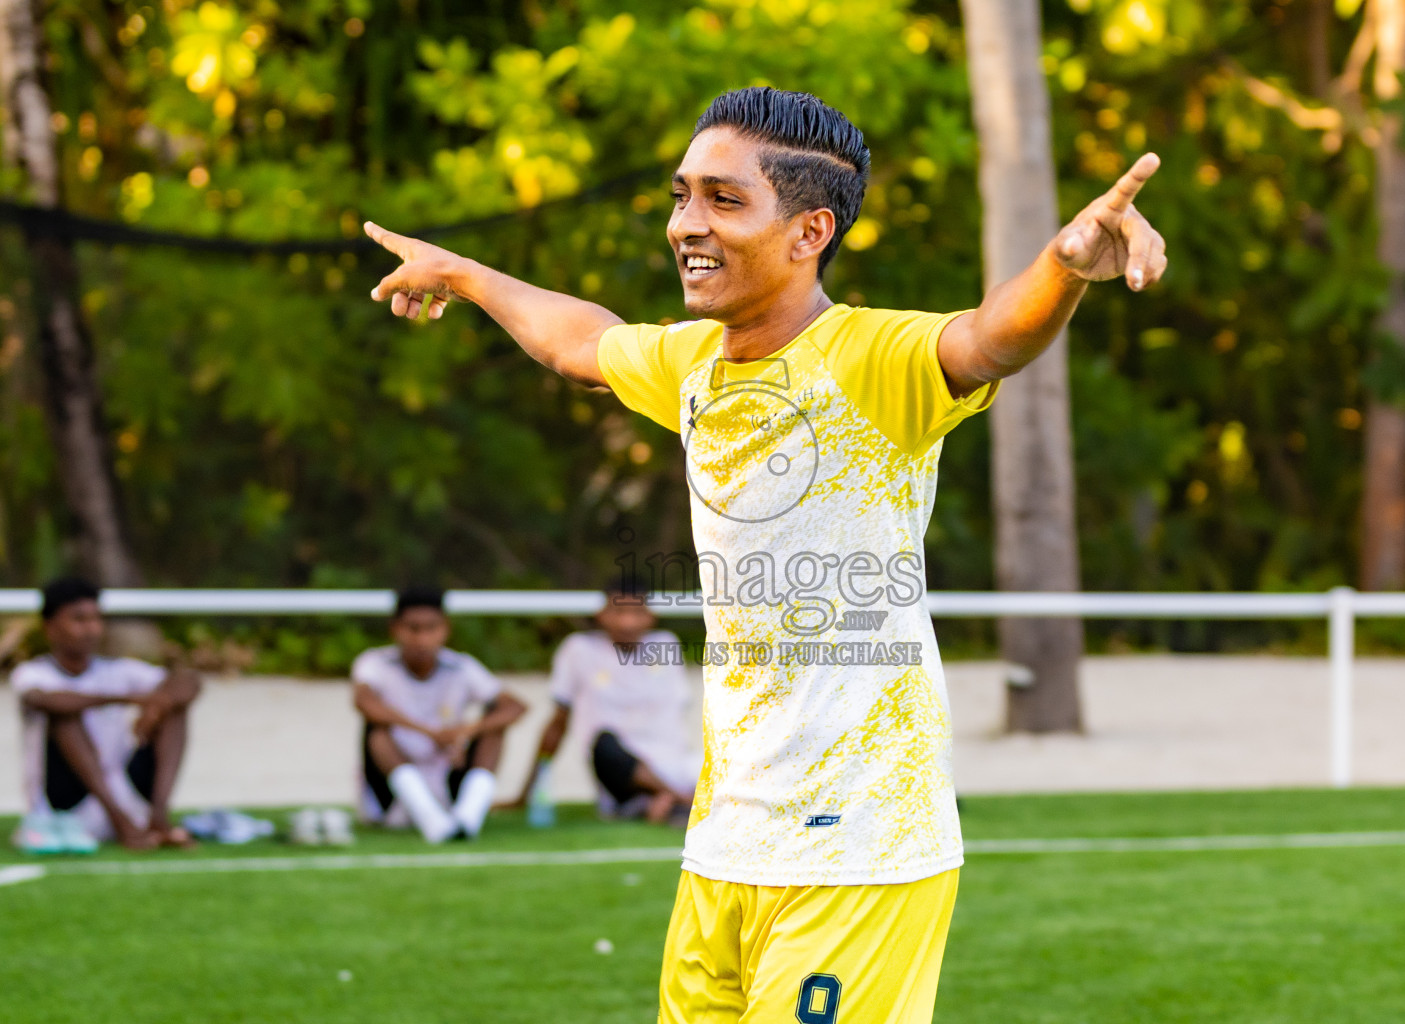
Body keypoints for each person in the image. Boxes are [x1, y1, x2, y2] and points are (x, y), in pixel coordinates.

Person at [366, 87, 1166, 1023]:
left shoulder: (871, 357)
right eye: (680, 196)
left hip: (859, 850)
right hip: (727, 844)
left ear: (808, 231)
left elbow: (988, 340)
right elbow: (581, 342)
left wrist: (1064, 269)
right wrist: (463, 274)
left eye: (722, 199)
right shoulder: (695, 362)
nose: (685, 224)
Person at [12, 577, 201, 851]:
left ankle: (158, 817)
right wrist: (129, 699)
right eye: (79, 620)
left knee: (175, 709)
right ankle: (123, 824)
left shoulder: (118, 669)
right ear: (50, 628)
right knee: (65, 715)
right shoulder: (33, 673)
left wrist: (159, 704)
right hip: (67, 809)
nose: (91, 629)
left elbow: (189, 682)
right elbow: (46, 700)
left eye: (95, 619)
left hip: (126, 792)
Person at [517, 580, 700, 825]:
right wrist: (526, 792)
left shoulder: (666, 644)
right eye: (619, 612)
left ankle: (667, 800)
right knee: (604, 744)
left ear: (650, 616)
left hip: (677, 766)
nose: (628, 622)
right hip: (622, 776)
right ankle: (683, 802)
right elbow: (558, 723)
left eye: (636, 613)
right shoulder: (578, 649)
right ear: (601, 615)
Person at [353, 585, 526, 843]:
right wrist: (429, 732)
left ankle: (468, 817)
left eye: (431, 628)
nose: (422, 639)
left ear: (445, 629)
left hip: (448, 772)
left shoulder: (461, 666)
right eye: (413, 628)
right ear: (395, 629)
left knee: (494, 729)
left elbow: (515, 706)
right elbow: (364, 703)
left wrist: (465, 731)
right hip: (394, 786)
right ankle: (430, 821)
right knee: (377, 731)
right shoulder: (374, 663)